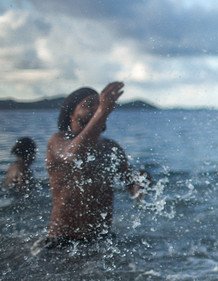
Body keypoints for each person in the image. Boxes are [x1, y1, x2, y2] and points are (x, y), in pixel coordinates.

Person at [45, 82, 150, 245]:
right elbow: (72, 154)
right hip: (62, 240)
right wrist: (103, 111)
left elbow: (134, 191)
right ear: (71, 113)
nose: (95, 108)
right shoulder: (58, 140)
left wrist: (142, 184)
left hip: (101, 239)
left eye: (98, 104)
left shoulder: (111, 147)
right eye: (88, 105)